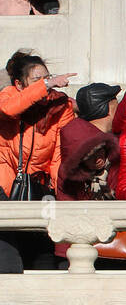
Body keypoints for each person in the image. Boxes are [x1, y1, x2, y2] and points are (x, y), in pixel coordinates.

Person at [0, 51, 76, 203]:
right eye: (37, 80)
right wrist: (47, 84)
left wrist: (58, 190)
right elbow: (8, 109)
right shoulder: (9, 95)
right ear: (19, 85)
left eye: (47, 78)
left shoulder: (60, 105)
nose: (45, 84)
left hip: (39, 186)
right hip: (4, 183)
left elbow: (58, 155)